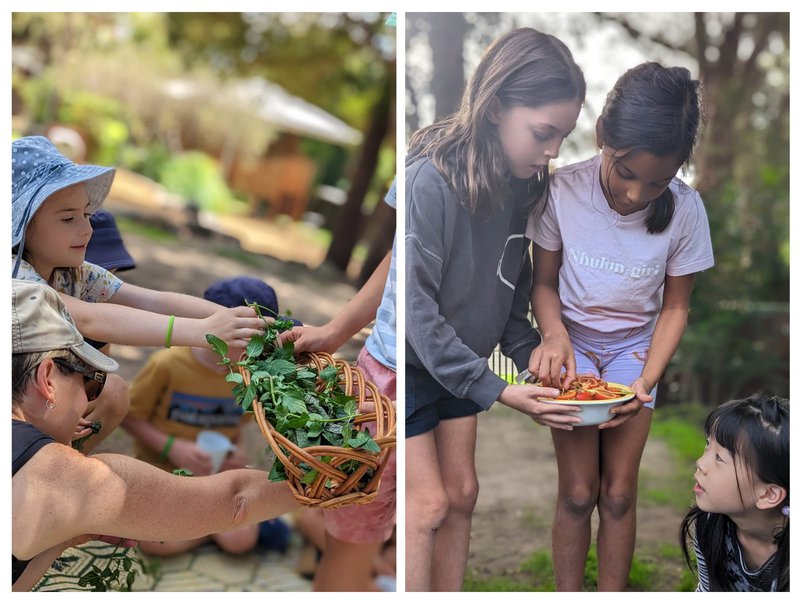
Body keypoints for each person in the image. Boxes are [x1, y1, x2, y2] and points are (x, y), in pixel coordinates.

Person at [404, 28, 586, 591]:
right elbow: (416, 315)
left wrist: (536, 359)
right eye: (543, 133)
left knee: (463, 494)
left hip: (461, 372)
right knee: (429, 503)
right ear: (496, 105)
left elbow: (511, 297)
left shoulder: (525, 190)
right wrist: (500, 390)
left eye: (563, 137)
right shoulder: (428, 182)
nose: (553, 151)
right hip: (411, 366)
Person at [526, 62, 714, 590]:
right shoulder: (562, 190)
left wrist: (646, 381)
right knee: (579, 492)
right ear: (603, 135)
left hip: (636, 351)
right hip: (574, 346)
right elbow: (543, 284)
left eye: (657, 182)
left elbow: (675, 307)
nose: (636, 195)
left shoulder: (686, 210)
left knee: (617, 494)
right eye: (626, 173)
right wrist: (555, 335)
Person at [11, 279, 299, 591]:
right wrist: (324, 480)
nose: (89, 401)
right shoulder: (77, 481)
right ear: (47, 378)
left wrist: (62, 537)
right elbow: (235, 502)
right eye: (90, 383)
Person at [11, 135, 265, 352]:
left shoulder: (73, 273)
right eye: (68, 218)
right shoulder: (16, 279)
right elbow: (91, 320)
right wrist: (202, 331)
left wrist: (248, 323)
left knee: (112, 392)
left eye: (87, 215)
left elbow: (153, 300)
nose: (87, 229)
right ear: (21, 226)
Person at [279, 180, 397, 592]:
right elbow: (402, 252)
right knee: (354, 535)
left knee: (435, 512)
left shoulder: (528, 182)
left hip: (453, 378)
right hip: (385, 378)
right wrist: (334, 333)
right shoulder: (421, 160)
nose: (552, 150)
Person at [121, 276, 286, 557]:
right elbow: (129, 416)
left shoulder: (248, 375)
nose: (252, 350)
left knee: (240, 541)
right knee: (153, 543)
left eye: (260, 341)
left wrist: (236, 452)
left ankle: (201, 529)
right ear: (214, 328)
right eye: (244, 338)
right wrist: (173, 447)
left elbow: (234, 426)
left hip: (213, 479)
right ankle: (206, 530)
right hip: (162, 474)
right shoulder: (168, 365)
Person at [680, 393, 788, 592]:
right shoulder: (708, 523)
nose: (700, 463)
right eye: (707, 444)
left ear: (768, 494)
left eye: (719, 458)